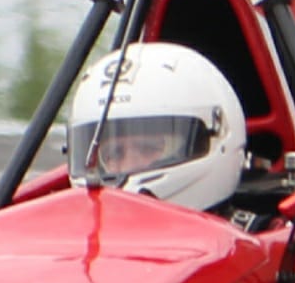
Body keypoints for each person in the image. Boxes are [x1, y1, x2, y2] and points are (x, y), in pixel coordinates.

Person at [66, 41, 247, 214]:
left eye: (149, 148)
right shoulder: (67, 239)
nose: (129, 166)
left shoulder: (256, 241)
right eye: (114, 154)